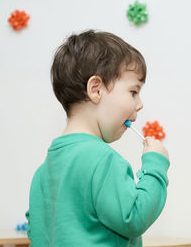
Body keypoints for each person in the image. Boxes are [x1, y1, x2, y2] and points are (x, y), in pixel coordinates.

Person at [26, 29, 170, 247]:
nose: (139, 104)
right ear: (96, 89)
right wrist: (155, 167)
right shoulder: (102, 160)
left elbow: (36, 232)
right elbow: (133, 217)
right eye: (133, 91)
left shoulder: (43, 172)